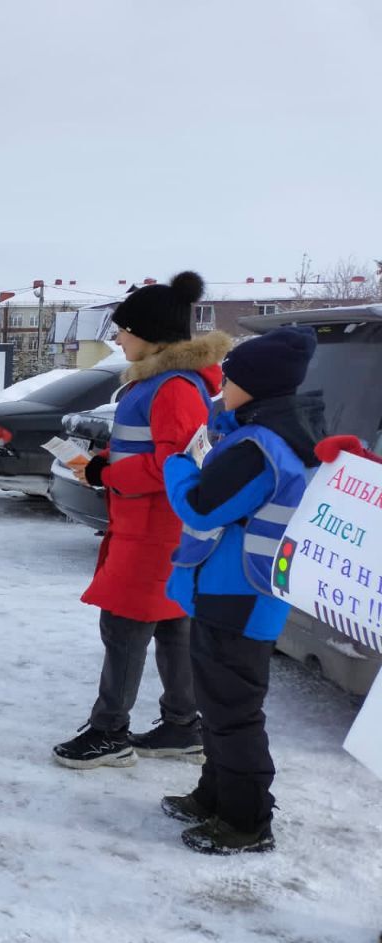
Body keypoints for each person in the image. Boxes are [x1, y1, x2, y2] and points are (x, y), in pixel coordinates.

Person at [54, 272, 230, 769]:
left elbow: (181, 463)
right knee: (172, 624)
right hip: (150, 524)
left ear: (151, 334)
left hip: (156, 530)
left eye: (124, 329)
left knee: (125, 626)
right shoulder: (159, 384)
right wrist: (103, 460)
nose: (117, 337)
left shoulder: (174, 386)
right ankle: (181, 725)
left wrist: (112, 471)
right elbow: (149, 447)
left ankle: (110, 732)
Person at [160, 326, 324, 854]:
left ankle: (247, 822)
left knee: (233, 712)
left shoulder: (259, 447)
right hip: (236, 592)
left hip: (239, 596)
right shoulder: (269, 432)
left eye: (228, 379)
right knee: (220, 705)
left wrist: (178, 465)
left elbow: (201, 505)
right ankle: (215, 795)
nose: (220, 387)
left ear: (254, 386)